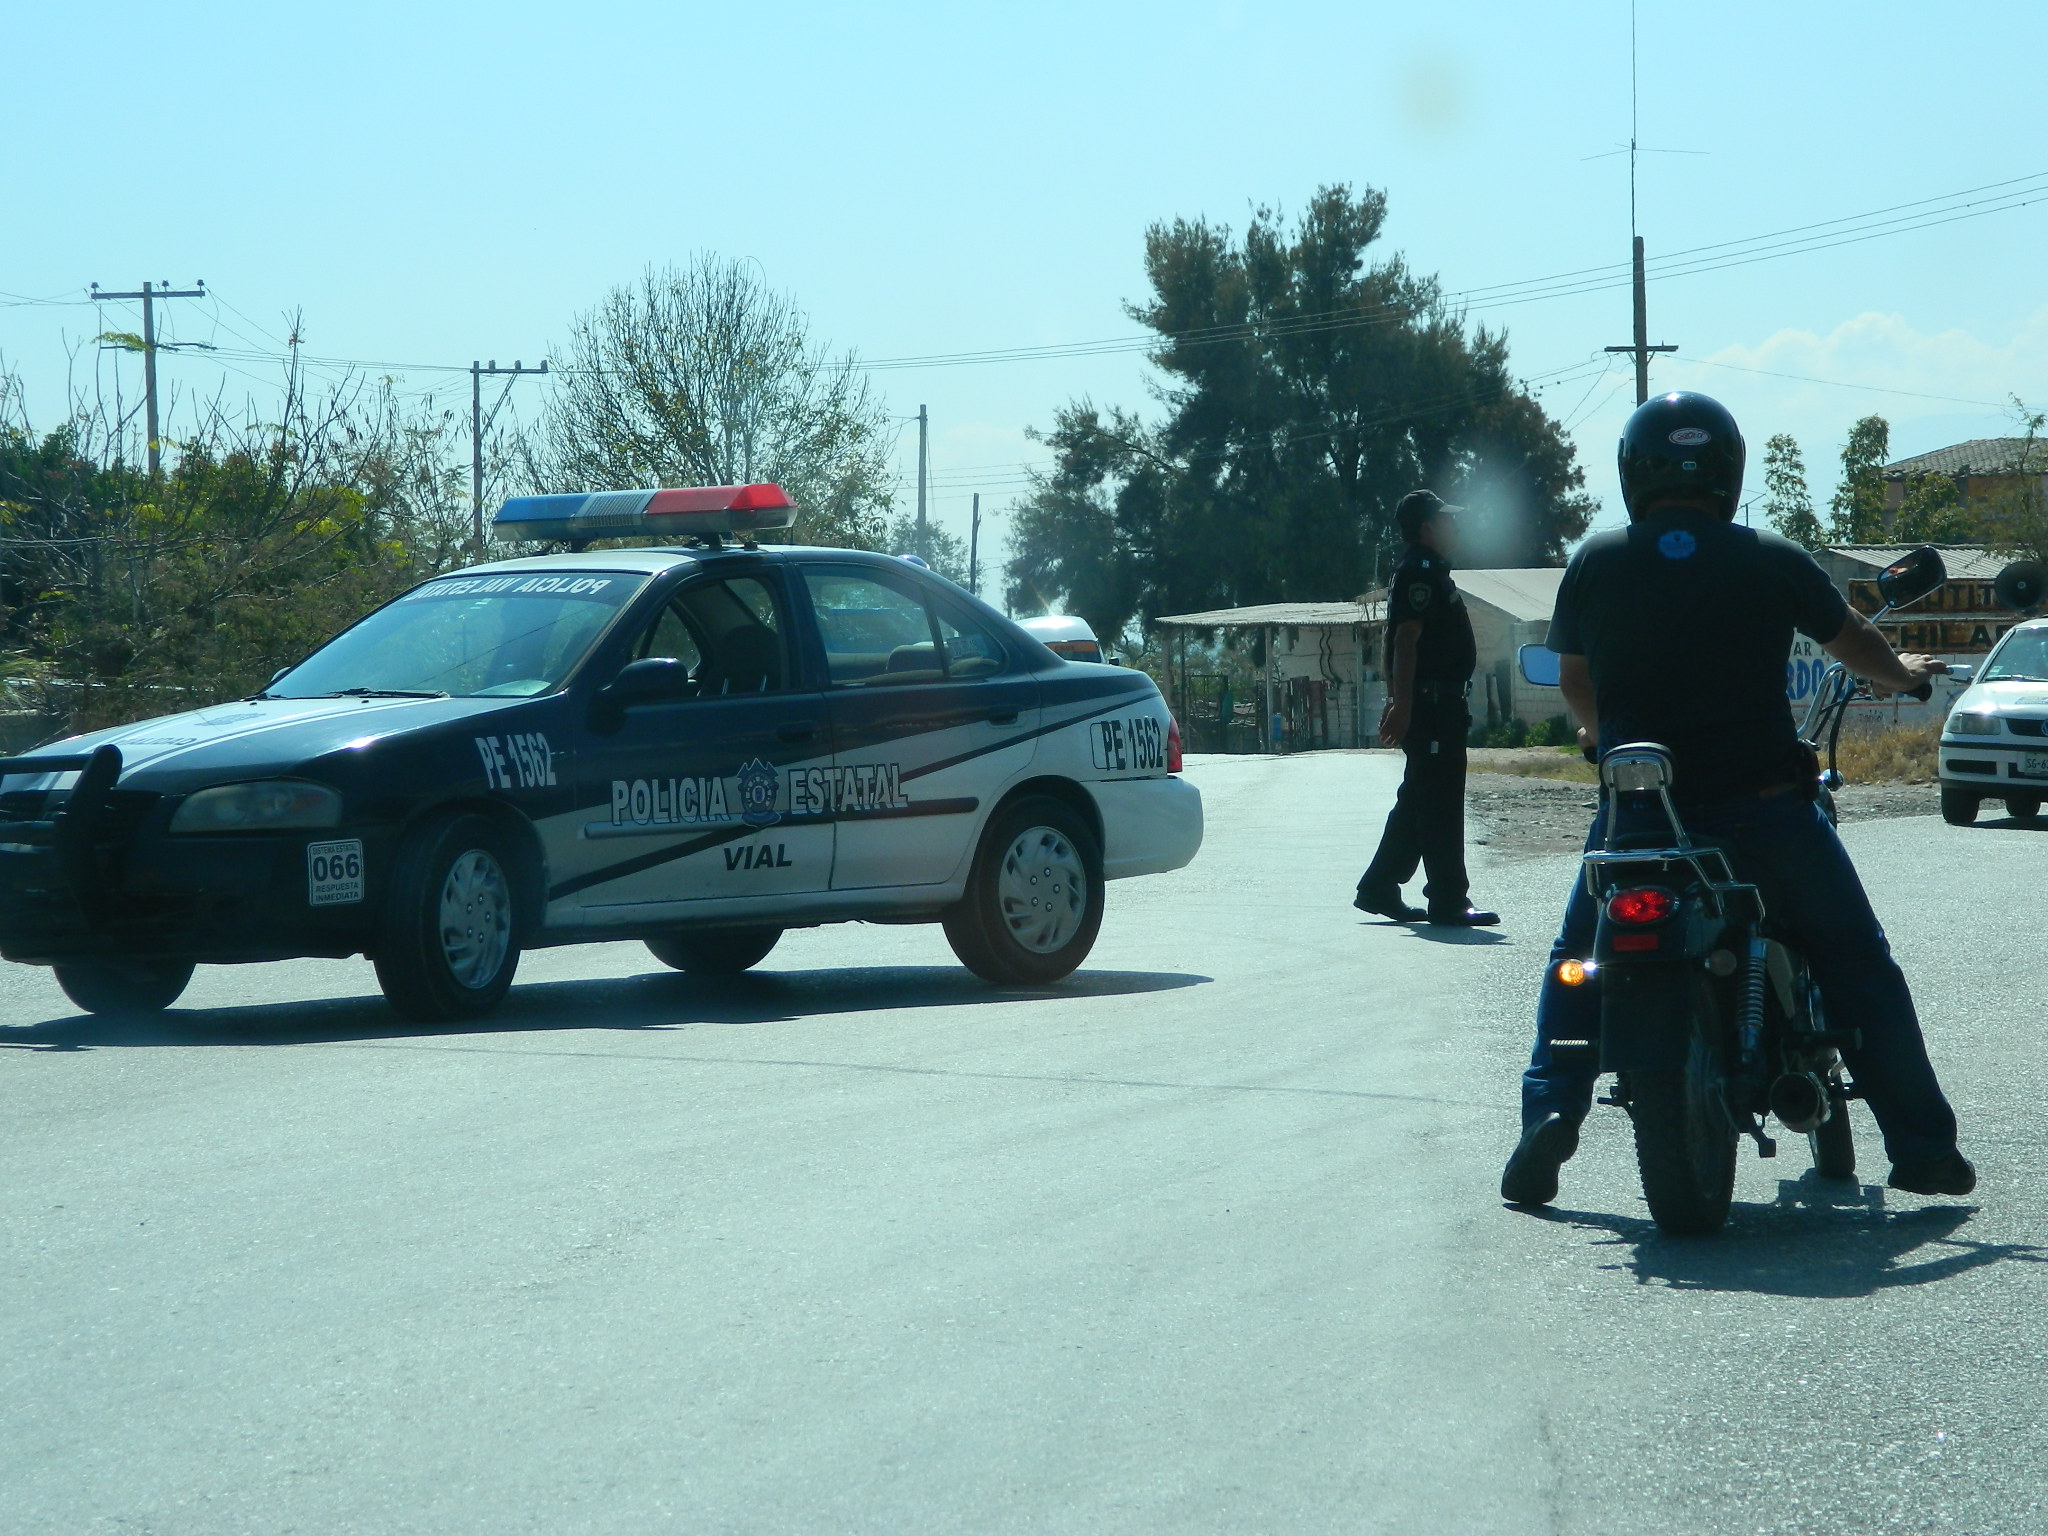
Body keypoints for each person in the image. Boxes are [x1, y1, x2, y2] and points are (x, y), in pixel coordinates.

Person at [1500, 391, 1974, 1205]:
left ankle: (1550, 1115)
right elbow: (1854, 643)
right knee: (1858, 963)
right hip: (1765, 812)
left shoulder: (1598, 560)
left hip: (1640, 813)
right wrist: (1904, 676)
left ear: (1633, 472)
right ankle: (1924, 1148)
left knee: (1575, 962)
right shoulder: (1769, 555)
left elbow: (1576, 679)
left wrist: (1599, 738)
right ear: (1727, 469)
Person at [1354, 490, 1499, 927]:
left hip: (1440, 704)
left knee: (1421, 796)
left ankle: (1379, 887)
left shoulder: (1429, 571)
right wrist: (1401, 702)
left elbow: (1395, 636)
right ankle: (1449, 899)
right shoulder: (1419, 571)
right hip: (1433, 706)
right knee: (1439, 802)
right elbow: (1404, 640)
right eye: (1446, 519)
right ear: (1427, 527)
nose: (1454, 526)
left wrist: (1399, 698)